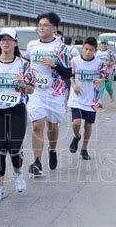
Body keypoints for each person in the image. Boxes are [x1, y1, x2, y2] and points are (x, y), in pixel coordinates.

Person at [0, 28, 36, 201]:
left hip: (16, 109)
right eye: (3, 39)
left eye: (9, 39)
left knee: (15, 147)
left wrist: (23, 84)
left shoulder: (24, 64)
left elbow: (31, 90)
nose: (6, 42)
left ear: (15, 43)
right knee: (1, 148)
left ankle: (18, 175)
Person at [24, 12, 71, 175]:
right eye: (40, 25)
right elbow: (26, 64)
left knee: (52, 126)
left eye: (45, 25)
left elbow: (68, 73)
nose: (41, 28)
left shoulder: (62, 48)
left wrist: (55, 65)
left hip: (55, 93)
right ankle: (37, 162)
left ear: (55, 28)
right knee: (37, 125)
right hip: (36, 92)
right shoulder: (31, 46)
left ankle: (52, 149)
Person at [68, 37, 108, 160]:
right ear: (82, 48)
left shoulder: (99, 63)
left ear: (95, 51)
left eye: (91, 50)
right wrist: (74, 85)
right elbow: (71, 75)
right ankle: (76, 136)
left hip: (91, 99)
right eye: (86, 49)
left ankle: (84, 148)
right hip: (77, 97)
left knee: (88, 125)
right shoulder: (74, 61)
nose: (88, 52)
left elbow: (106, 76)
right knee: (76, 123)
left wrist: (100, 80)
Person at [96, 38, 116, 106]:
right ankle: (100, 101)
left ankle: (111, 95)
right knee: (101, 86)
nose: (103, 45)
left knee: (108, 87)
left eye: (105, 44)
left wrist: (110, 63)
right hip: (100, 72)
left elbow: (115, 61)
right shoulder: (97, 53)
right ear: (100, 44)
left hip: (109, 72)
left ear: (107, 45)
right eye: (102, 43)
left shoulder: (110, 52)